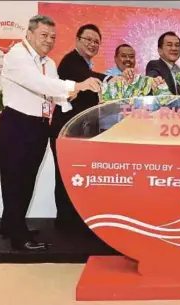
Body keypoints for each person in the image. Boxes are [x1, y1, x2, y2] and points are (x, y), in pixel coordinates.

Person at [0, 15, 101, 251]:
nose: (48, 41)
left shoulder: (49, 63)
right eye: (43, 35)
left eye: (53, 37)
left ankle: (10, 223)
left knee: (27, 178)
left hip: (39, 124)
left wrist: (71, 96)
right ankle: (18, 235)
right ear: (29, 33)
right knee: (15, 179)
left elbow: (56, 94)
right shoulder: (17, 55)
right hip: (18, 122)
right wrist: (76, 86)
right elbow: (37, 84)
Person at [50, 24, 125, 233]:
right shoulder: (71, 62)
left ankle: (72, 220)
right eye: (88, 39)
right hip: (66, 131)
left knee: (75, 175)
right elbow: (84, 76)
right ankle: (65, 223)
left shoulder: (84, 64)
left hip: (78, 132)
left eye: (96, 42)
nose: (92, 44)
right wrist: (110, 79)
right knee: (65, 176)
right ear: (77, 40)